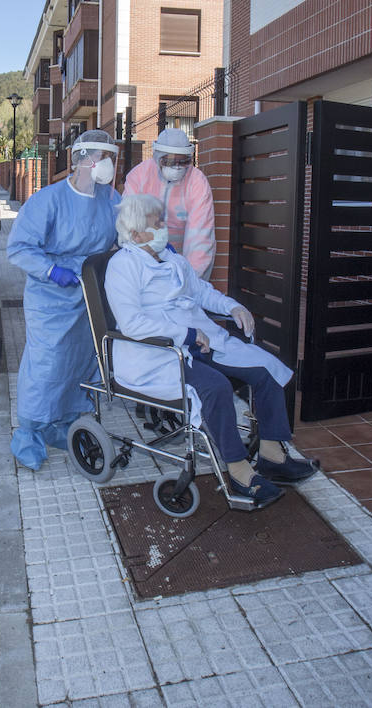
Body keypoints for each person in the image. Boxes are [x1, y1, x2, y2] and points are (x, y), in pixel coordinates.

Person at [104, 193, 317, 507]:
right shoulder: (122, 266)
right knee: (215, 387)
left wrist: (234, 307)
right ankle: (238, 469)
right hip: (157, 352)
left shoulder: (171, 259)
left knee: (265, 369)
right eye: (157, 222)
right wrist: (186, 334)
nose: (165, 227)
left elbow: (201, 291)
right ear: (136, 234)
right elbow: (132, 323)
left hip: (201, 340)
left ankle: (272, 454)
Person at [6, 129, 123, 470]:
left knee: (81, 362)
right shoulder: (49, 199)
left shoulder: (110, 198)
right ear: (84, 158)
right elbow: (19, 247)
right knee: (47, 365)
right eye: (104, 157)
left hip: (89, 295)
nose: (109, 165)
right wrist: (52, 270)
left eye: (111, 158)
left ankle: (64, 424)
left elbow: (127, 230)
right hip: (51, 298)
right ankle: (28, 433)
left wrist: (152, 242)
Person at [122, 127, 216, 279]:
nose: (177, 166)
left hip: (183, 258)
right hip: (144, 254)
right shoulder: (139, 175)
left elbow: (201, 235)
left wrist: (189, 278)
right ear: (157, 157)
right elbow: (129, 223)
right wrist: (146, 261)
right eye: (170, 161)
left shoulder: (197, 181)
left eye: (183, 161)